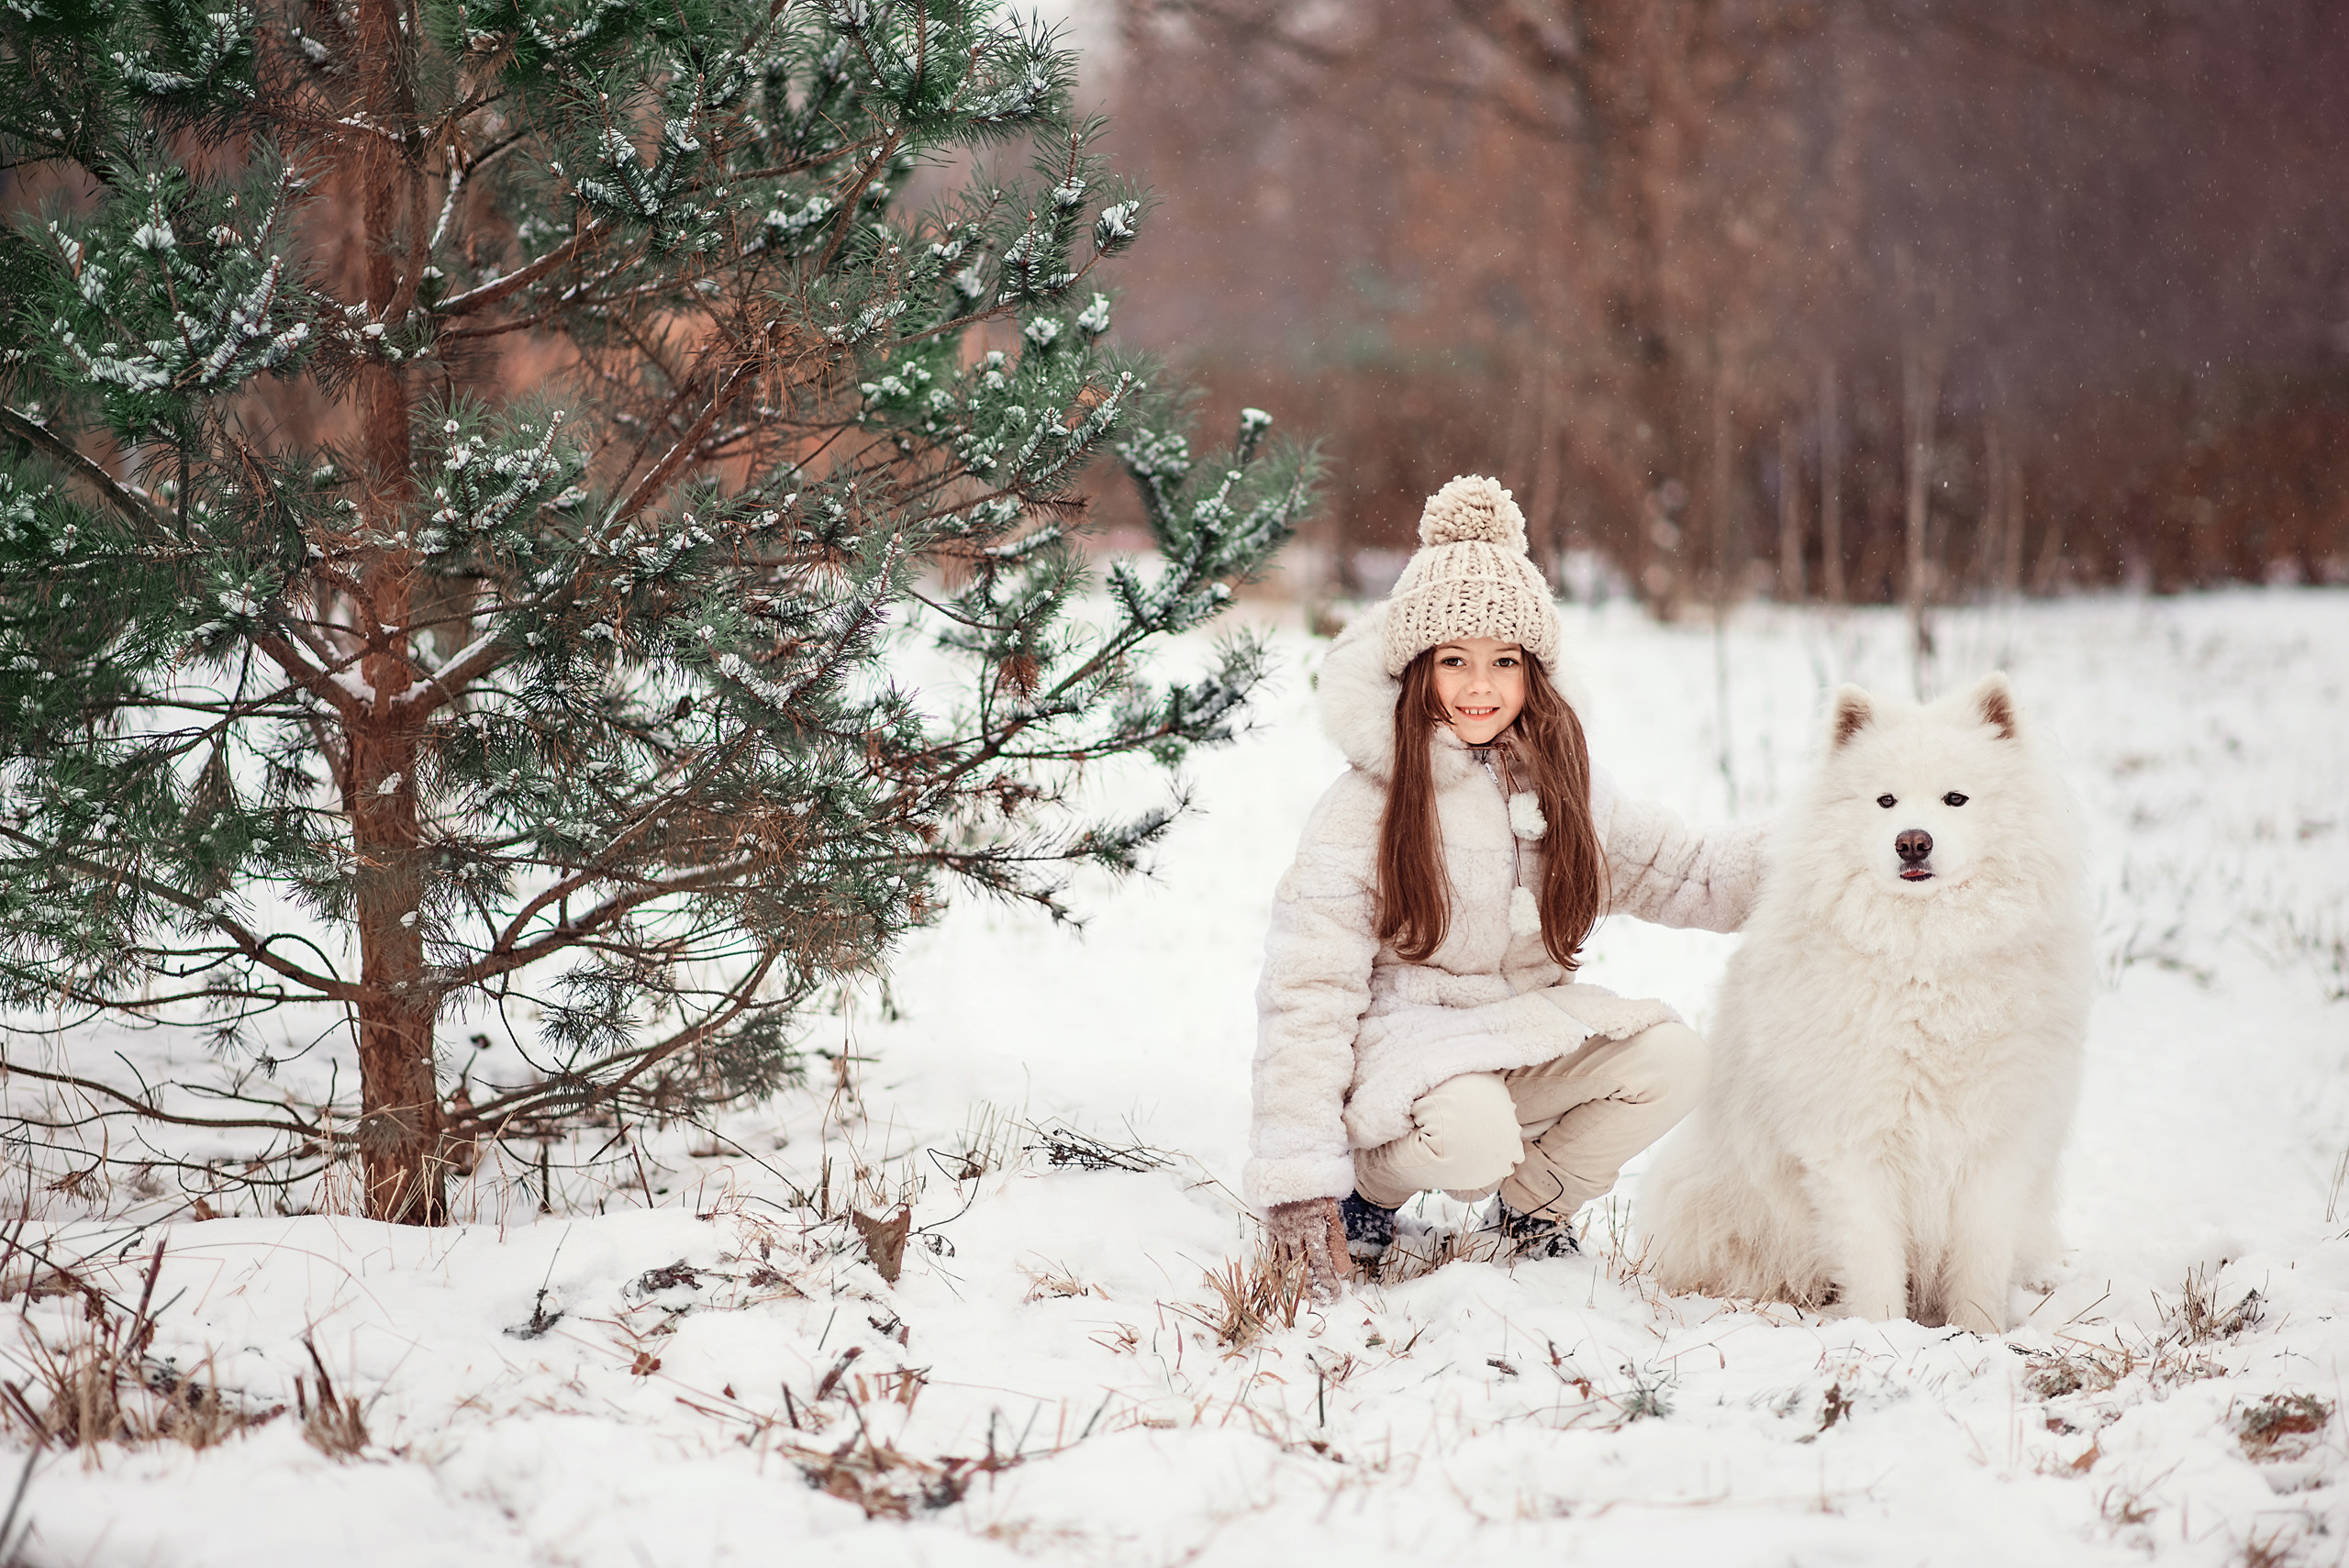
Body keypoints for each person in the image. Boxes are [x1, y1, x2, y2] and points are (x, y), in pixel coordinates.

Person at [1248, 475, 1764, 1297]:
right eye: (1454, 660)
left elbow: (1687, 869)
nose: (1479, 686)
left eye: (1504, 662)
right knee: (1476, 1134)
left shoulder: (1559, 786)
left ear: (1534, 673)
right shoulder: (1368, 803)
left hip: (1520, 1032)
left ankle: (1531, 1213)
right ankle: (1366, 1196)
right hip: (1407, 1055)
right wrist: (1301, 1180)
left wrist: (1823, 854)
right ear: (1418, 667)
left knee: (1673, 1058)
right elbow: (1306, 991)